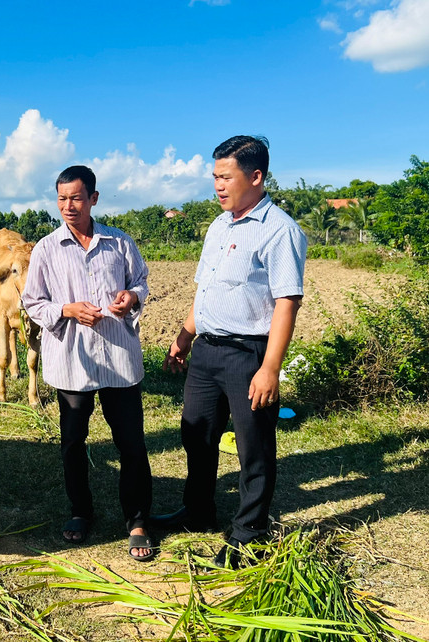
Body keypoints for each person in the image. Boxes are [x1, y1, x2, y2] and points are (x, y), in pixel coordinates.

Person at [154, 135, 307, 568]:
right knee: (197, 435)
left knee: (253, 447)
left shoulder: (280, 230)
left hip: (248, 354)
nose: (218, 185)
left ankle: (249, 534)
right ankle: (198, 510)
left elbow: (287, 302)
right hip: (206, 352)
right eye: (215, 177)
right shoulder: (218, 226)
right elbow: (205, 290)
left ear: (256, 177)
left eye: (226, 177)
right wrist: (183, 339)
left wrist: (270, 368)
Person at [22, 165, 155, 562]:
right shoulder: (47, 249)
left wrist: (132, 297)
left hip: (119, 359)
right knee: (73, 444)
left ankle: (137, 521)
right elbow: (32, 301)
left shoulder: (119, 242)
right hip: (72, 362)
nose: (68, 206)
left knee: (131, 444)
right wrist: (67, 310)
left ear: (93, 198)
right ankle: (80, 511)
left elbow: (141, 280)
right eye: (62, 199)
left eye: (76, 198)